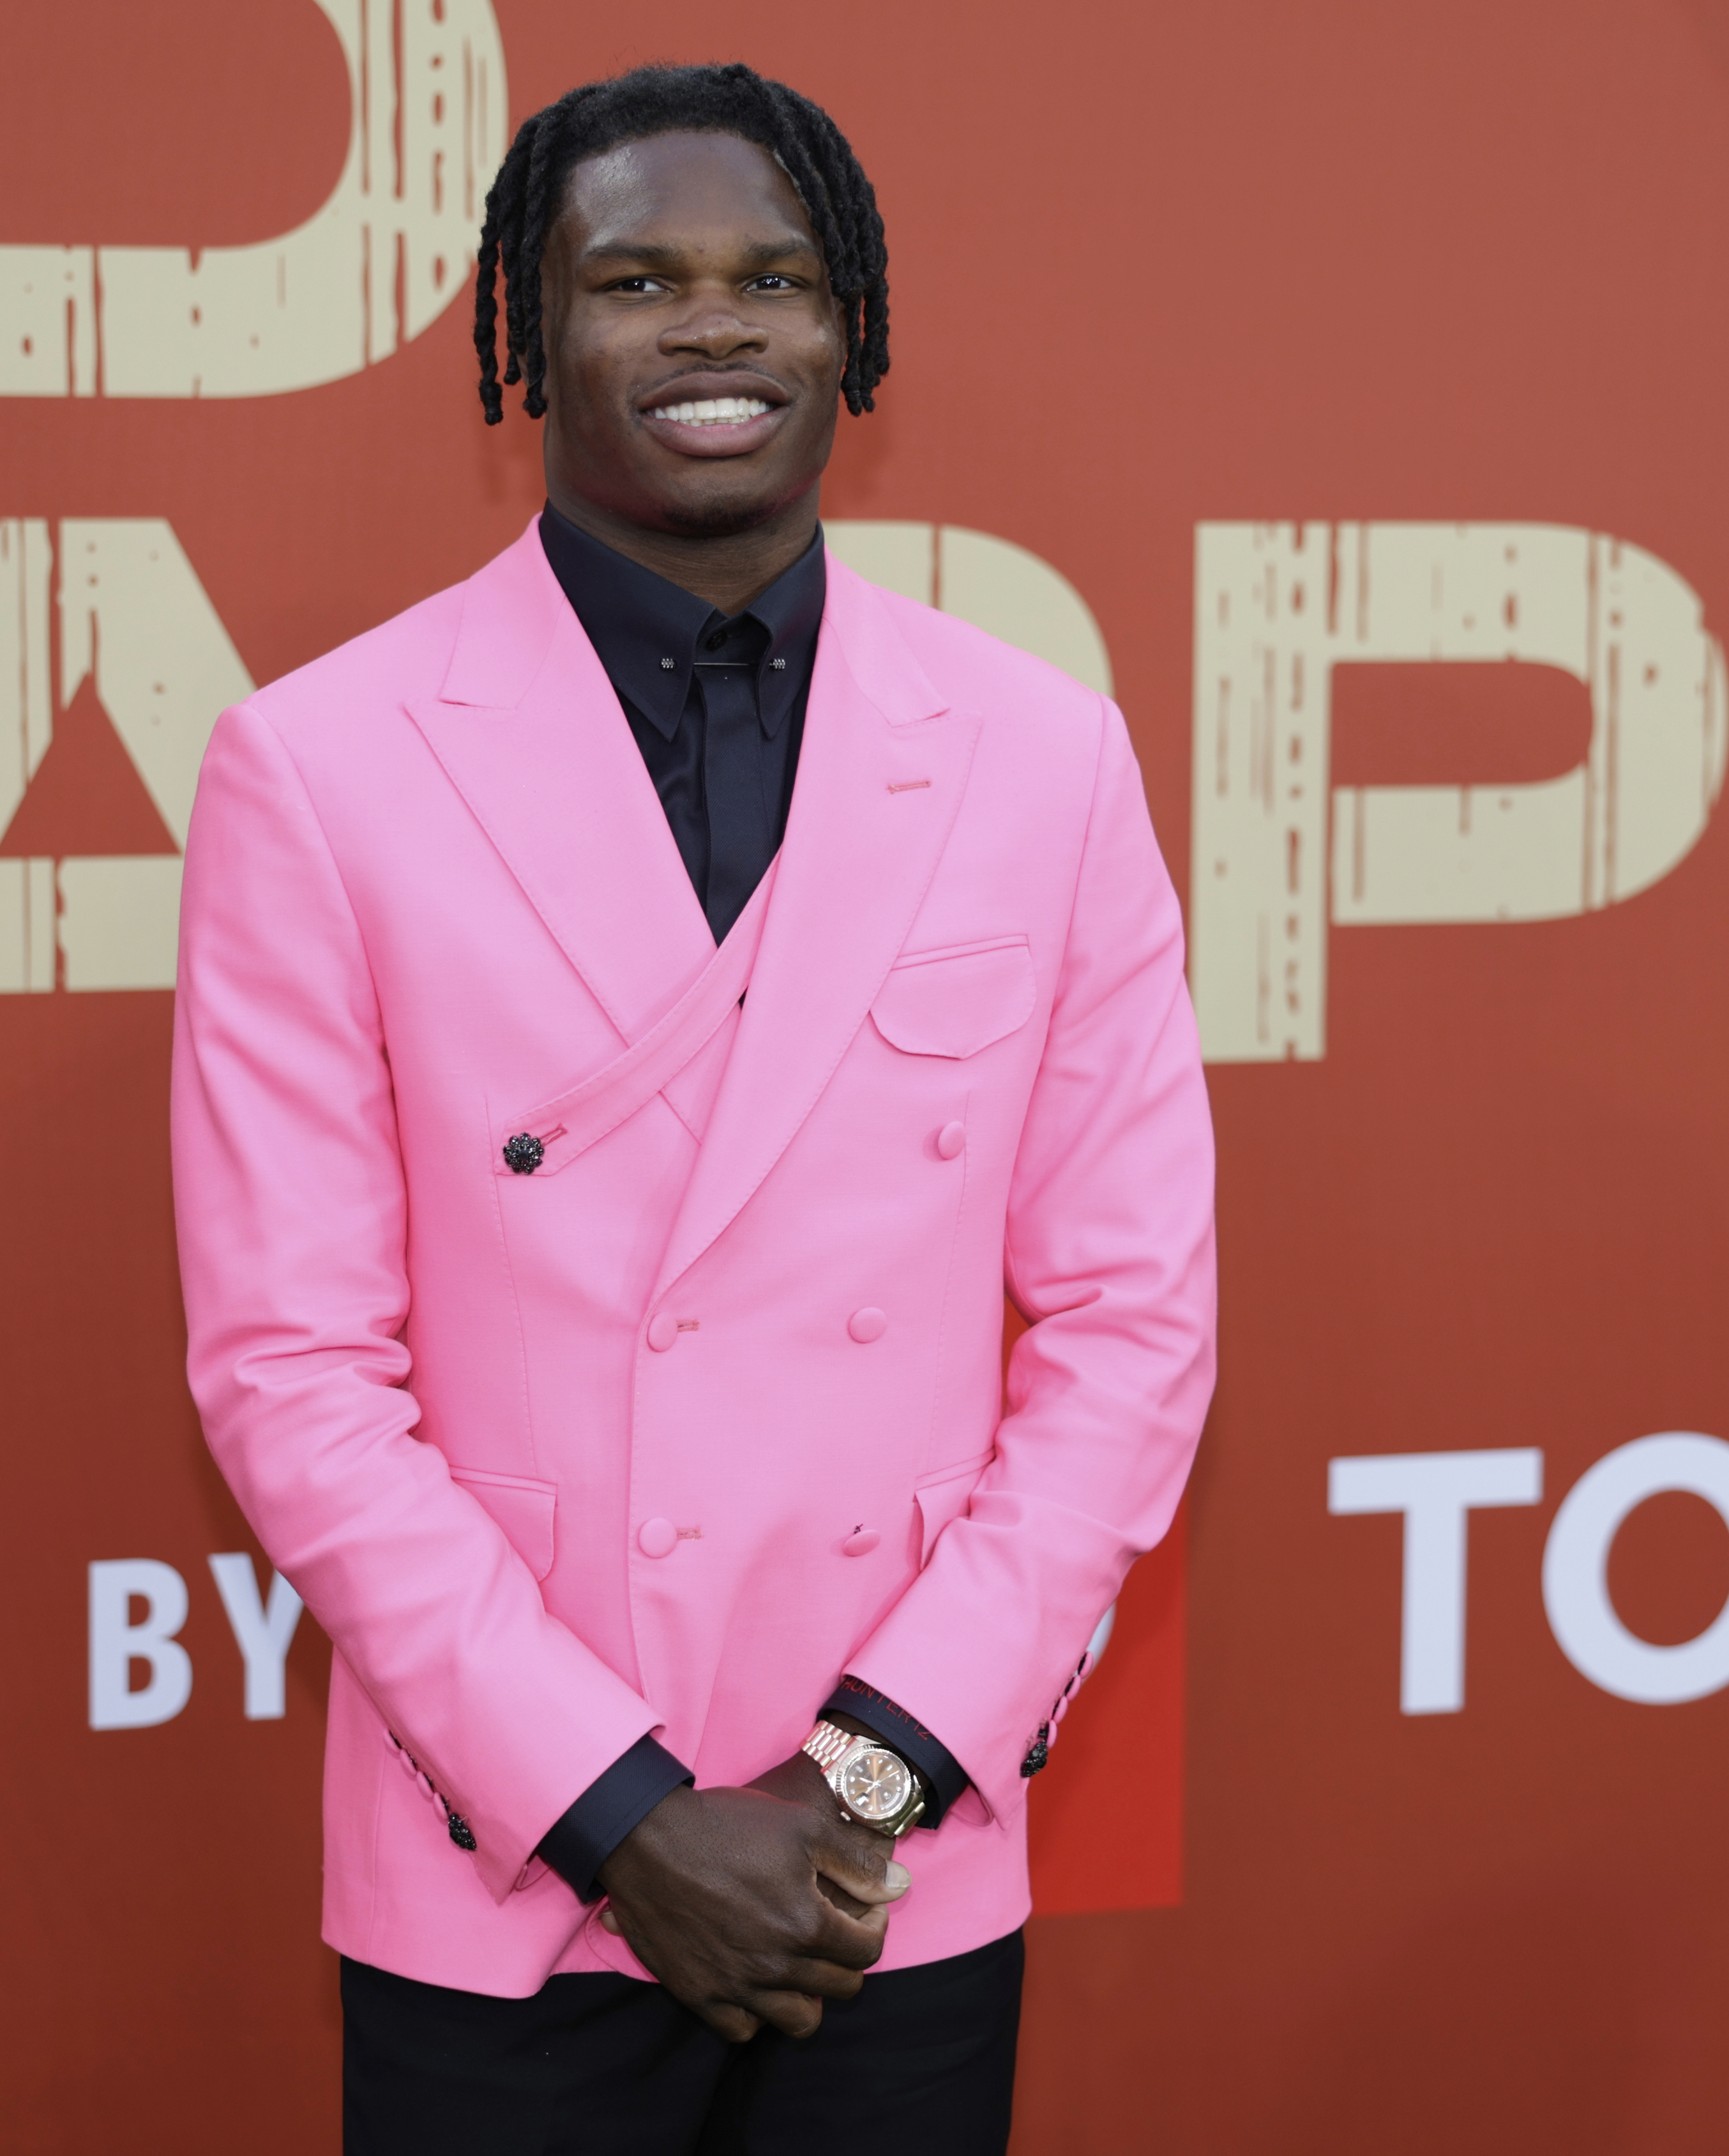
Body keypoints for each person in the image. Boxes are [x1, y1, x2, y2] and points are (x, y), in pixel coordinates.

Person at [168, 61, 1216, 2154]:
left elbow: (1135, 1326)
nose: (716, 325)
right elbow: (291, 1371)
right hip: (507, 1872)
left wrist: (865, 1774)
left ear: (853, 332)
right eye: (637, 278)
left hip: (888, 1868)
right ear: (531, 333)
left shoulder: (1043, 753)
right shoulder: (323, 766)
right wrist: (623, 1818)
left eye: (777, 279)